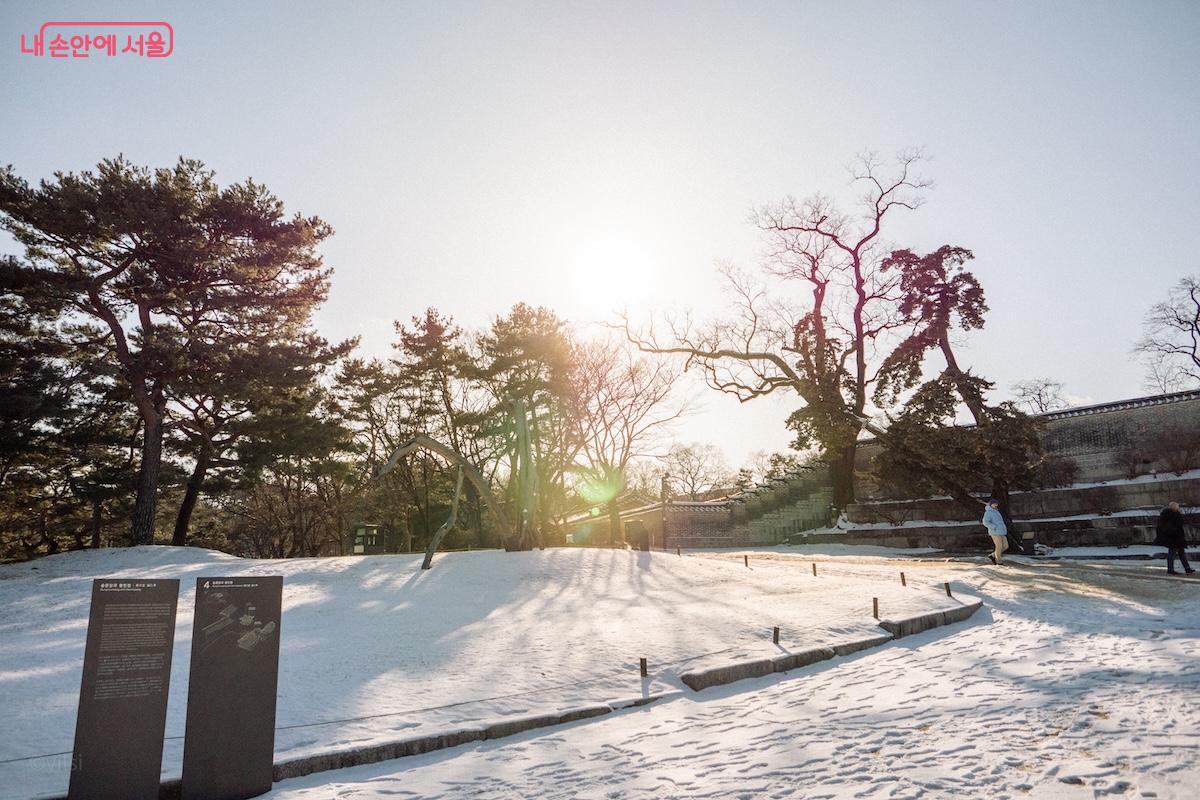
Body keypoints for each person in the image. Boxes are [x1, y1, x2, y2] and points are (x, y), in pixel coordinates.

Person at [1154, 501, 1193, 575]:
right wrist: (1174, 533)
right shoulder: (1170, 516)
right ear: (1174, 508)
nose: (1178, 508)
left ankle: (1187, 568)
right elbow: (1170, 527)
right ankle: (1171, 569)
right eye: (1177, 507)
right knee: (1172, 554)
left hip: (1177, 538)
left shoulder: (1173, 515)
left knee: (1180, 554)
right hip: (1173, 538)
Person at [982, 499, 1008, 565]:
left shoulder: (997, 511)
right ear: (991, 504)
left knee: (1005, 546)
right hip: (995, 532)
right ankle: (998, 561)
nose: (996, 505)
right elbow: (985, 522)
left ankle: (993, 555)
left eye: (996, 503)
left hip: (1002, 531)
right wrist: (993, 527)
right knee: (999, 546)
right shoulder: (988, 512)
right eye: (994, 504)